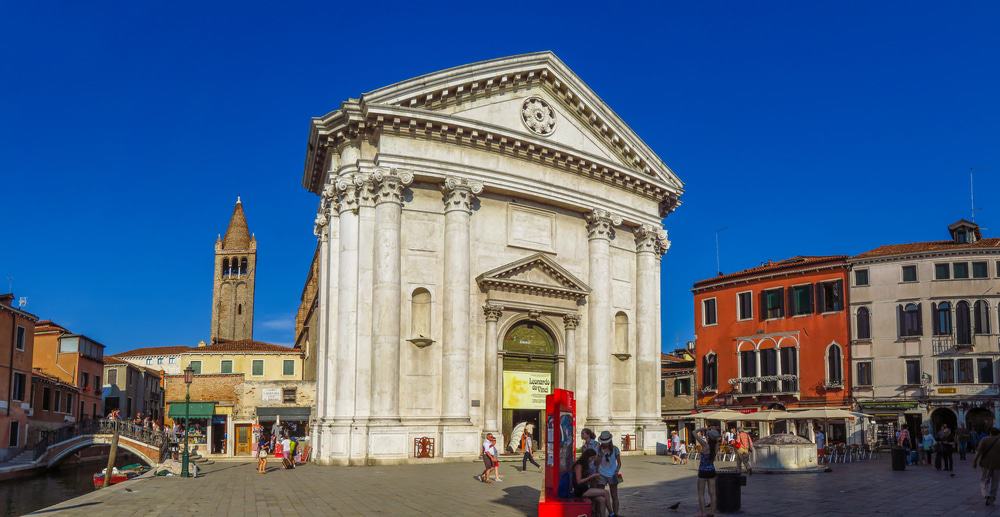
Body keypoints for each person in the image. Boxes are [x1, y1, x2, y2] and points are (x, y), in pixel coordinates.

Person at [572, 448, 616, 517]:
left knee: (602, 500)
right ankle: (611, 514)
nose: (592, 460)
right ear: (587, 457)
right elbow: (579, 481)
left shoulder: (585, 465)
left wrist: (593, 477)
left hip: (585, 488)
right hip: (580, 490)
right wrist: (591, 477)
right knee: (606, 492)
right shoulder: (579, 465)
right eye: (592, 458)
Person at [597, 431, 622, 517]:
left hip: (612, 474)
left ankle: (615, 513)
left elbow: (619, 463)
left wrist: (617, 470)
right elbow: (596, 463)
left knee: (614, 495)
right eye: (603, 442)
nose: (604, 444)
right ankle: (601, 513)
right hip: (601, 474)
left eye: (606, 442)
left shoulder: (615, 449)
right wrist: (600, 456)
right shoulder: (598, 449)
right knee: (601, 495)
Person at [695, 428, 720, 517]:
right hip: (711, 471)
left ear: (709, 437)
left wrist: (702, 429)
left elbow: (694, 433)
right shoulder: (716, 446)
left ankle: (703, 513)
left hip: (702, 471)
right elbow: (717, 440)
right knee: (712, 493)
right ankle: (712, 512)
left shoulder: (705, 445)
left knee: (701, 494)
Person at [974, 428, 1000, 506]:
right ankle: (992, 497)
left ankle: (985, 494)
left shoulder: (984, 439)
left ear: (990, 433)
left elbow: (979, 452)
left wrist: (975, 461)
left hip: (986, 464)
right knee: (995, 481)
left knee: (985, 479)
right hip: (998, 465)